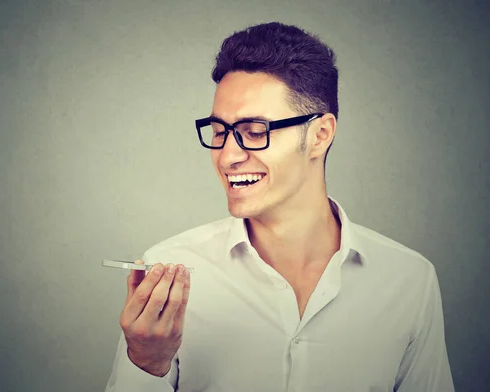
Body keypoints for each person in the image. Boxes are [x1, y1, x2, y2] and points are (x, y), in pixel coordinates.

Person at [105, 22, 454, 392]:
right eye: (220, 131)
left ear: (320, 135)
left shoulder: (409, 282)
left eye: (255, 131)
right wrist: (145, 363)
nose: (227, 156)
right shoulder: (169, 271)